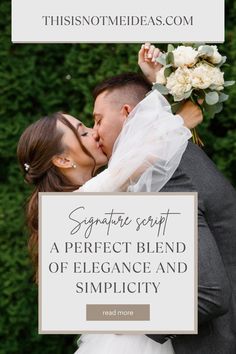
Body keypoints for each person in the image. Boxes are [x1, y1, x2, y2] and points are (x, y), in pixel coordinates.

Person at [77, 44, 236, 353]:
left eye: (97, 120)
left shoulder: (169, 175)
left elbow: (210, 295)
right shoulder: (174, 156)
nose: (95, 132)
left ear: (125, 114)